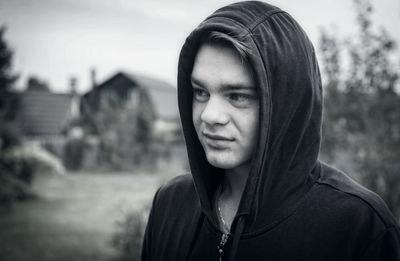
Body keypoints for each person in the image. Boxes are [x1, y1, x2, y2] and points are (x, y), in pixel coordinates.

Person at [141, 1, 400, 260]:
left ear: (285, 104)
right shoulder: (170, 204)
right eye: (200, 92)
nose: (209, 115)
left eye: (237, 96)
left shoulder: (359, 228)